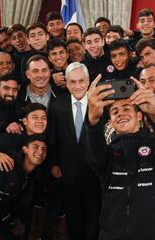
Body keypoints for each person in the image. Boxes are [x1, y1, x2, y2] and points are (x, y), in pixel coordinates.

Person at [87, 73, 155, 240]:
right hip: (111, 235)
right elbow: (94, 156)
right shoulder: (108, 153)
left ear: (139, 116)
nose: (120, 114)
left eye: (127, 109)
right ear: (111, 122)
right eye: (115, 112)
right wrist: (93, 120)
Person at [48, 62, 101, 240]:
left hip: (95, 172)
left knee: (94, 220)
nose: (77, 86)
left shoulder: (99, 103)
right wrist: (54, 162)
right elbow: (53, 137)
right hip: (68, 172)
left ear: (88, 81)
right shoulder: (56, 104)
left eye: (81, 81)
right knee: (73, 220)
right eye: (72, 82)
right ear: (67, 83)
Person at [17, 54, 55, 120]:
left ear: (50, 72)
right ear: (27, 74)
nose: (40, 75)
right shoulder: (17, 97)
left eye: (44, 70)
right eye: (35, 71)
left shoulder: (62, 94)